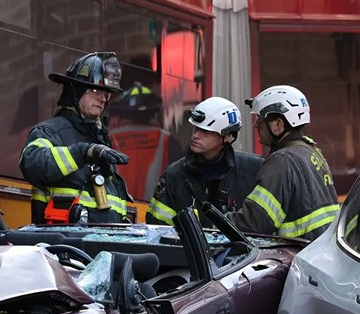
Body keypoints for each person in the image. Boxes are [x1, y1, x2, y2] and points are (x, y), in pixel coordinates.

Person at [20, 52, 131, 224]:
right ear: (76, 91)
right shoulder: (51, 131)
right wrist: (82, 153)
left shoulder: (100, 139)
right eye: (96, 90)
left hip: (101, 244)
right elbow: (32, 163)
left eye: (107, 94)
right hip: (60, 245)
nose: (102, 98)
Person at [223, 85, 339, 240]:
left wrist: (216, 223)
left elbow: (254, 223)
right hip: (318, 253)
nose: (255, 125)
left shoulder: (282, 161)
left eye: (260, 119)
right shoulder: (311, 151)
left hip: (296, 256)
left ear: (277, 125)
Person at [148, 96, 262, 225]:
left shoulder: (253, 170)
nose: (195, 135)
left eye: (205, 131)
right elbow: (157, 229)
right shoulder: (174, 175)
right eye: (195, 128)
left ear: (227, 135)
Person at [106, 83, 183, 201]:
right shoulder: (168, 141)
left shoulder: (108, 138)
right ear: (154, 113)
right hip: (151, 213)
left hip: (116, 211)